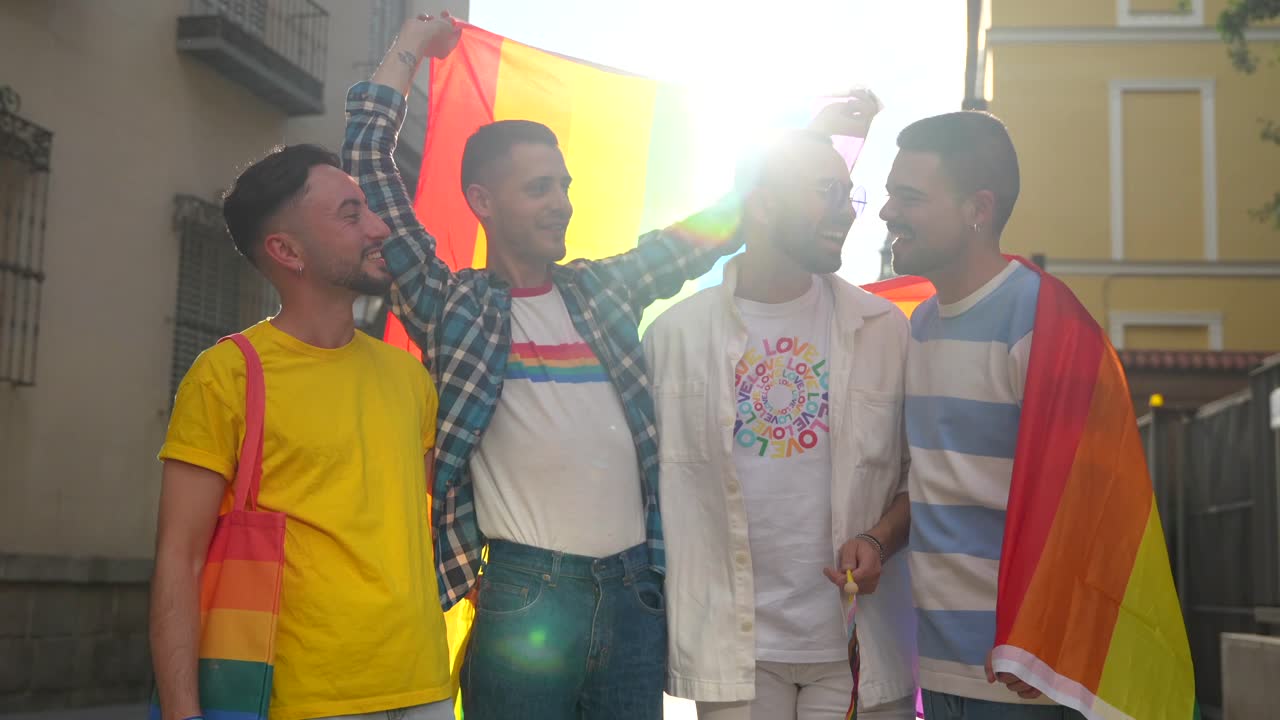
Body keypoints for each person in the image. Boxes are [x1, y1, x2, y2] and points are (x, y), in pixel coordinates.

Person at [343, 13, 754, 720]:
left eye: (563, 186)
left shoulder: (601, 290)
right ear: (482, 201)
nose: (561, 203)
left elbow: (710, 232)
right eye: (539, 188)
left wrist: (817, 141)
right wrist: (411, 44)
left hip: (635, 594)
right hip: (523, 594)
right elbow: (369, 168)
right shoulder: (450, 305)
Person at [149, 145, 453, 720]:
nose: (379, 227)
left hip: (425, 688)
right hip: (295, 699)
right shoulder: (227, 375)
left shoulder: (409, 376)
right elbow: (179, 560)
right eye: (351, 214)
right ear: (286, 251)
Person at [643, 121, 918, 720]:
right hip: (733, 651)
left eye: (848, 194)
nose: (845, 211)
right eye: (825, 191)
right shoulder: (673, 337)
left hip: (859, 643)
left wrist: (878, 539)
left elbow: (918, 477)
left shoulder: (885, 330)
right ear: (763, 206)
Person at [880, 111, 1084, 719]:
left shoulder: (1044, 320)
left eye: (909, 197)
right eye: (889, 194)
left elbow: (1089, 500)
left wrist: (1048, 636)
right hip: (935, 668)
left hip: (1021, 681)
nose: (887, 212)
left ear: (978, 208)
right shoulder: (921, 323)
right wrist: (874, 540)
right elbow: (935, 482)